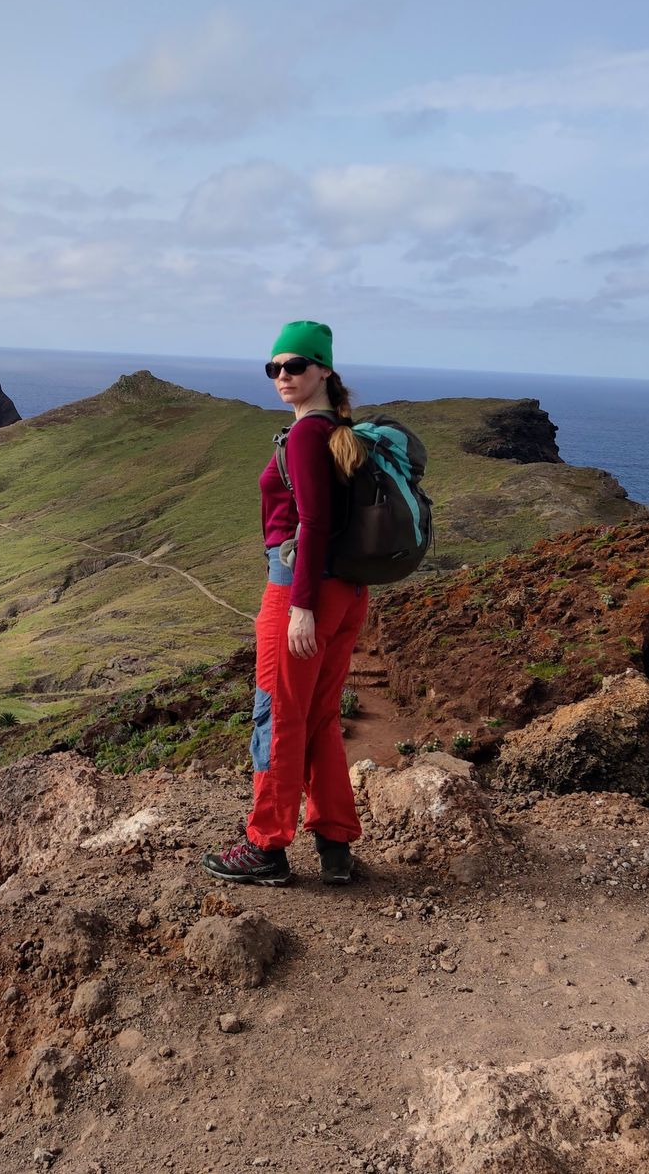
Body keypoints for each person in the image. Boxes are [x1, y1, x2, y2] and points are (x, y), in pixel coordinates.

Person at [204, 319, 369, 887]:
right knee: (321, 717)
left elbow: (314, 521)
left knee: (277, 715)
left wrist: (299, 605)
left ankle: (266, 847)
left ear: (324, 369)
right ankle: (336, 846)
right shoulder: (339, 431)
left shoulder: (304, 436)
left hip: (303, 591)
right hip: (348, 593)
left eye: (295, 365)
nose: (282, 376)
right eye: (273, 367)